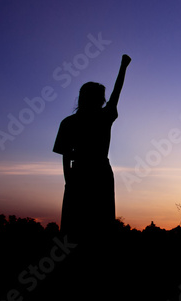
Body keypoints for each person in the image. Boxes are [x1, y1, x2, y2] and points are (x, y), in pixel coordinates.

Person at [53, 54, 131, 242]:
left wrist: (69, 180)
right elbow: (116, 93)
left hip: (82, 173)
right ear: (98, 100)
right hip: (94, 173)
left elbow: (65, 156)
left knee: (79, 225)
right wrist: (123, 67)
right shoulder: (102, 117)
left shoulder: (70, 122)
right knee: (97, 226)